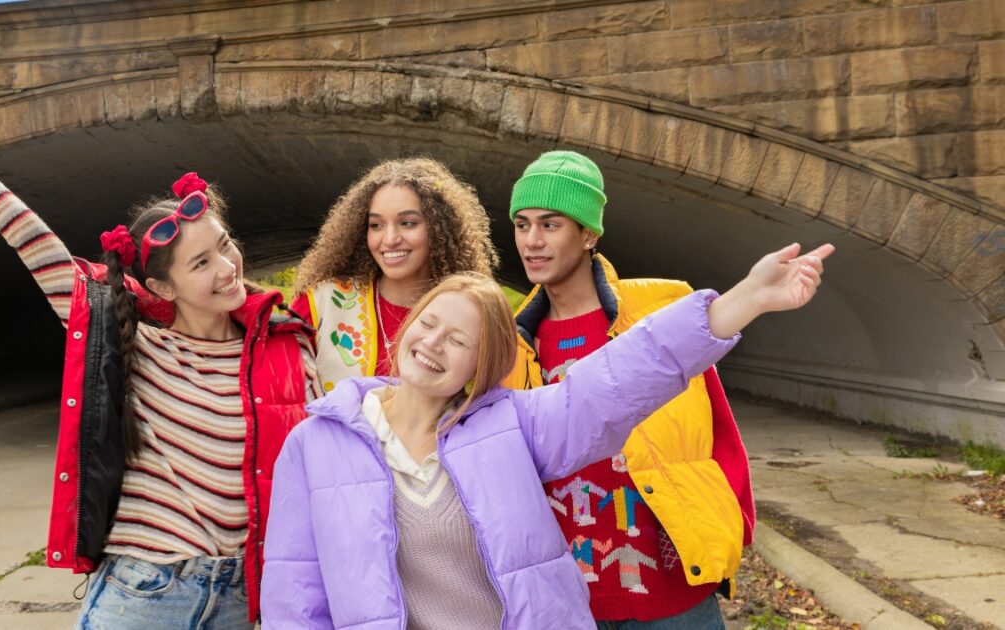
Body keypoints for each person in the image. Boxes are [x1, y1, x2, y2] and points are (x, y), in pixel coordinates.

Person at [0, 102, 321, 629]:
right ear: (162, 286)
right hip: (146, 594)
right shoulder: (138, 349)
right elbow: (24, 233)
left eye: (225, 247)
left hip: (243, 600)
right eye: (201, 263)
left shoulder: (287, 346)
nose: (228, 269)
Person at [261, 234, 833, 629]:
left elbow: (616, 380)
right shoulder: (316, 446)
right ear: (408, 326)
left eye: (459, 340)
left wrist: (744, 301)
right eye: (429, 324)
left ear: (480, 367)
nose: (434, 344)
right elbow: (295, 598)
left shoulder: (510, 425)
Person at [504, 151, 754, 628]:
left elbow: (717, 426)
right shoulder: (510, 342)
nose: (532, 241)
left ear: (589, 233)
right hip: (566, 598)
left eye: (550, 224)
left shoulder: (657, 311)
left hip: (670, 588)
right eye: (522, 224)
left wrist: (726, 528)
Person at [290, 158, 498, 390]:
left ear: (440, 229)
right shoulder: (320, 302)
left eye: (407, 223)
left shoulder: (471, 318)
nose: (389, 239)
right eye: (376, 225)